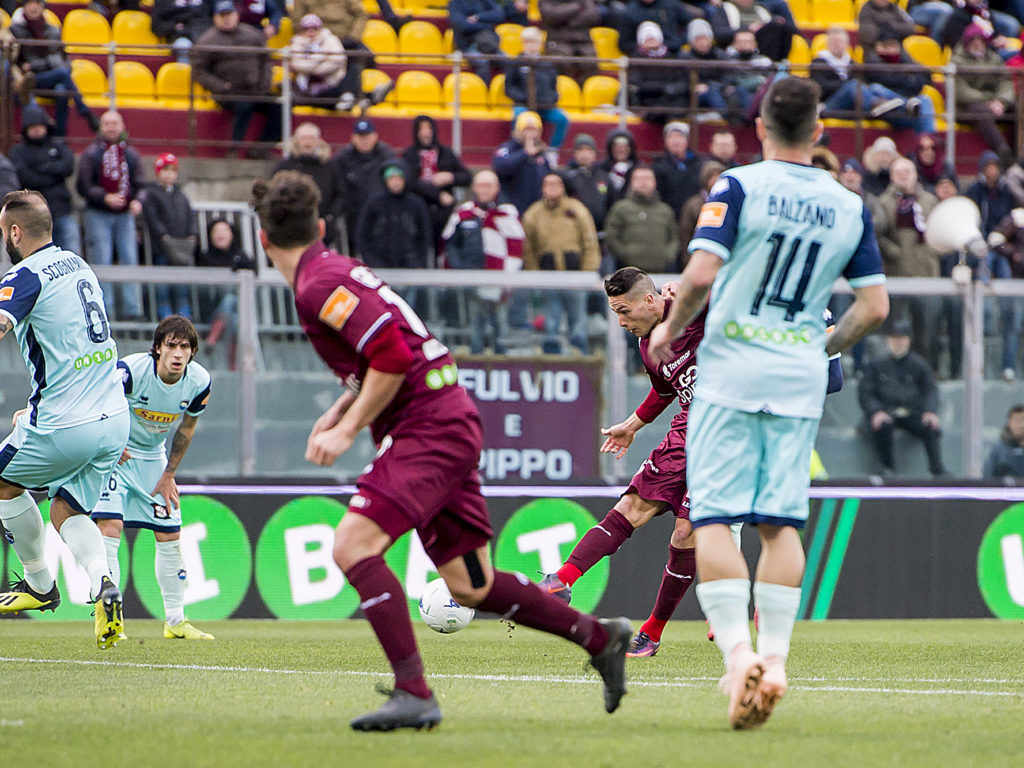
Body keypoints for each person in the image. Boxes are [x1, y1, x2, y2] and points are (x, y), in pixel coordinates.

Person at [250, 169, 630, 731]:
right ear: (322, 227)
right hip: (446, 416)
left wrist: (347, 430)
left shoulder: (316, 285)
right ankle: (601, 638)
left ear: (262, 239)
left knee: (353, 546)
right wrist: (337, 412)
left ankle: (414, 692)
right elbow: (384, 351)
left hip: (426, 424)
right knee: (470, 585)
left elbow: (392, 356)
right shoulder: (334, 270)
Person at [647, 77, 889, 728]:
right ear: (819, 131)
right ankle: (776, 660)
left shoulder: (737, 186)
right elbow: (874, 307)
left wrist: (669, 331)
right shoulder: (848, 205)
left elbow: (700, 275)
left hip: (729, 372)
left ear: (758, 128)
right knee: (780, 525)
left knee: (713, 520)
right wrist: (821, 348)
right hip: (797, 379)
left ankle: (738, 657)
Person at [539, 267, 704, 657]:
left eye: (624, 311)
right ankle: (561, 581)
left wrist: (693, 288)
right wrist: (631, 426)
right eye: (615, 313)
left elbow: (733, 290)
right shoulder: (648, 347)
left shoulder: (694, 309)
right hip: (687, 430)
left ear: (649, 300)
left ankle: (652, 633)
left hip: (729, 436)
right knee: (630, 507)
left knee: (685, 533)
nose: (621, 322)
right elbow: (664, 390)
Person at [0, 190, 130, 649]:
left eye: (4, 232)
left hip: (65, 423)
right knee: (67, 510)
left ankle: (39, 584)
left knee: (3, 483)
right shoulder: (78, 265)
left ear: (16, 232)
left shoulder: (24, 276)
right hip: (114, 418)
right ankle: (102, 583)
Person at [91, 316, 214, 640]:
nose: (178, 353)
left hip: (153, 458)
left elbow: (187, 427)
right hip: (117, 455)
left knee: (169, 534)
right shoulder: (131, 371)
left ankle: (175, 621)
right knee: (110, 526)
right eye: (171, 346)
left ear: (192, 352)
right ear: (158, 348)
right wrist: (108, 442)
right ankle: (110, 619)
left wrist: (169, 474)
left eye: (185, 347)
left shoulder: (199, 381)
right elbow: (97, 400)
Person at [441, 169, 524, 354]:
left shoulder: (507, 214)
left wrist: (508, 279)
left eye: (489, 185)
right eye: (480, 185)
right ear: (474, 188)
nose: (484, 189)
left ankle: (501, 360)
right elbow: (450, 245)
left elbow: (516, 249)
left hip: (500, 282)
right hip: (472, 281)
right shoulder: (463, 213)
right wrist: (460, 270)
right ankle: (476, 358)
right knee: (475, 323)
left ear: (497, 188)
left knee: (500, 324)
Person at [76, 110, 145, 321]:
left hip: (125, 215)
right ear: (101, 127)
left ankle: (133, 311)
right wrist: (104, 197)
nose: (111, 127)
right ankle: (105, 311)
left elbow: (141, 185)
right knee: (101, 260)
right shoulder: (91, 154)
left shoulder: (131, 154)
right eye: (107, 123)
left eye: (115, 123)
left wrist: (138, 201)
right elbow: (83, 186)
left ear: (122, 126)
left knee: (129, 259)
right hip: (98, 213)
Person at [522, 172, 601, 354]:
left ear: (563, 187)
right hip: (547, 279)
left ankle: (580, 357)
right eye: (548, 184)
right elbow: (528, 248)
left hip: (576, 277)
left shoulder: (577, 210)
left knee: (578, 322)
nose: (552, 187)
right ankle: (552, 359)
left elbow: (590, 243)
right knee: (551, 323)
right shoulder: (534, 213)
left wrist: (588, 273)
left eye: (556, 183)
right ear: (542, 188)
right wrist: (534, 274)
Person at [193, 0, 282, 157]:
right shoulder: (207, 41)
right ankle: (233, 150)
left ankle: (261, 147)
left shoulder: (252, 35)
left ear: (237, 16)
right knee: (244, 107)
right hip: (229, 91)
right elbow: (199, 71)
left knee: (280, 107)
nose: (226, 19)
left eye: (229, 15)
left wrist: (265, 83)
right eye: (222, 16)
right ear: (215, 18)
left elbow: (266, 60)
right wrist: (221, 86)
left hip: (256, 90)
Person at [874, 157, 940, 368]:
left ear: (915, 174)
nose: (903, 176)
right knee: (896, 329)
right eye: (898, 172)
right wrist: (892, 251)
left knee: (926, 329)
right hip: (897, 275)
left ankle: (926, 369)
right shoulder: (884, 202)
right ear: (892, 176)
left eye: (907, 172)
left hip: (926, 274)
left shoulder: (929, 201)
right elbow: (877, 234)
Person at [858, 321, 947, 476]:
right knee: (883, 426)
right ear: (888, 340)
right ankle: (887, 468)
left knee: (931, 428)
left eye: (901, 339)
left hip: (912, 412)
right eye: (894, 338)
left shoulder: (919, 364)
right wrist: (876, 411)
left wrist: (930, 411)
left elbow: (931, 389)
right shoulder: (876, 365)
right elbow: (865, 392)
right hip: (886, 411)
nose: (897, 343)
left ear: (908, 340)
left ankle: (937, 470)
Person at [8, 0, 101, 137]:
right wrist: (33, 66)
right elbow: (14, 60)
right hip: (27, 80)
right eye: (30, 4)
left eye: (37, 4)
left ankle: (59, 137)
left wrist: (34, 65)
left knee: (61, 89)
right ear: (24, 8)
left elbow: (61, 59)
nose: (33, 7)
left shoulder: (53, 30)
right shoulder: (15, 31)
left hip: (50, 76)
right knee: (62, 74)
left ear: (42, 8)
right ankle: (85, 112)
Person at [8, 106, 78, 254]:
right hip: (32, 215)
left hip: (61, 210)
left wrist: (41, 169)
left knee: (71, 254)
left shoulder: (59, 146)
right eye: (32, 127)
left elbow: (68, 167)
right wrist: (53, 175)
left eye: (39, 126)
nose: (36, 130)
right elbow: (25, 177)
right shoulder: (18, 151)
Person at [139, 153, 197, 319]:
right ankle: (165, 320)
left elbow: (191, 216)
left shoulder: (181, 195)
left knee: (182, 290)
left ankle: (185, 320)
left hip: (181, 249)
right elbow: (152, 217)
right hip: (162, 249)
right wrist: (163, 235)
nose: (169, 174)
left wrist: (193, 234)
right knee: (162, 289)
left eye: (172, 171)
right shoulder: (151, 194)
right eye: (165, 170)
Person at [401, 115, 472, 244]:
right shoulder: (409, 155)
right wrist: (437, 194)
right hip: (417, 212)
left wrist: (451, 177)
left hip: (443, 213)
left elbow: (467, 177)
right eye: (421, 129)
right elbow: (410, 182)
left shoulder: (446, 153)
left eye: (428, 128)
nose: (425, 133)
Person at [952, 24, 1015, 168]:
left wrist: (1001, 101)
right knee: (981, 110)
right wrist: (989, 101)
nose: (977, 43)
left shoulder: (994, 58)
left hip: (995, 104)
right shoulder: (956, 61)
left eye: (980, 40)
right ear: (966, 42)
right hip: (966, 108)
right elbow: (961, 91)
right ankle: (1003, 151)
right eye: (973, 40)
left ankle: (1019, 150)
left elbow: (1006, 81)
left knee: (1017, 109)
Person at [272, 122, 345, 248]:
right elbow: (273, 193)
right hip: (291, 227)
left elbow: (341, 194)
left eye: (311, 138)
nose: (307, 142)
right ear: (296, 140)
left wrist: (331, 216)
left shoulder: (330, 166)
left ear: (318, 141)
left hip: (323, 228)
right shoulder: (284, 166)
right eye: (304, 138)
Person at [504, 27, 570, 163]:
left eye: (535, 42)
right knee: (518, 116)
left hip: (545, 106)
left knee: (562, 119)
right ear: (523, 43)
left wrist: (550, 100)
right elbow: (509, 88)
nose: (532, 45)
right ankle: (516, 149)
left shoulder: (548, 64)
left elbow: (554, 87)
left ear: (540, 44)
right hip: (523, 105)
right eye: (528, 42)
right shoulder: (515, 62)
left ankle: (552, 151)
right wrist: (523, 98)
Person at [331, 117, 395, 255]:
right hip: (353, 214)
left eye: (368, 136)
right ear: (353, 138)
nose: (364, 140)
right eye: (360, 137)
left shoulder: (387, 156)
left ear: (375, 136)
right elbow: (338, 187)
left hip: (380, 213)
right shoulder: (342, 159)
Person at [355, 159, 433, 270]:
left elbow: (424, 235)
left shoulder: (416, 204)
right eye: (391, 179)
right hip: (379, 263)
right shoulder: (373, 203)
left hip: (410, 262)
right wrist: (371, 260)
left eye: (399, 178)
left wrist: (419, 262)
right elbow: (363, 234)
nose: (395, 183)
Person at [605, 165, 680, 272]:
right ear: (631, 182)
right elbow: (611, 237)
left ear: (655, 182)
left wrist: (668, 255)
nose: (643, 182)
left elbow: (675, 238)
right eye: (639, 178)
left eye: (647, 178)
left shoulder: (665, 210)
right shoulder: (621, 208)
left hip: (661, 271)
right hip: (629, 272)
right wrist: (625, 255)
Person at [493, 110, 552, 214]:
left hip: (536, 211)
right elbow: (501, 167)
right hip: (512, 209)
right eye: (527, 129)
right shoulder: (507, 148)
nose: (530, 134)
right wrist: (525, 153)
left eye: (534, 130)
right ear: (518, 131)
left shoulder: (541, 154)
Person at [562, 133, 612, 233]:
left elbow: (611, 203)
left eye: (589, 150)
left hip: (600, 232)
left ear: (594, 155)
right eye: (580, 150)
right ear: (575, 154)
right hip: (574, 231)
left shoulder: (603, 176)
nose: (584, 154)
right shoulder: (566, 175)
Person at [653, 121, 703, 218]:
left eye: (679, 136)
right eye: (670, 137)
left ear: (687, 140)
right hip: (668, 216)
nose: (675, 141)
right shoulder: (658, 166)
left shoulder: (699, 165)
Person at [984, 404, 1024, 477]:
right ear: (1009, 423)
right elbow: (988, 477)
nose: (1021, 425)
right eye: (1017, 420)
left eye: (1023, 420)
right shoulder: (998, 451)